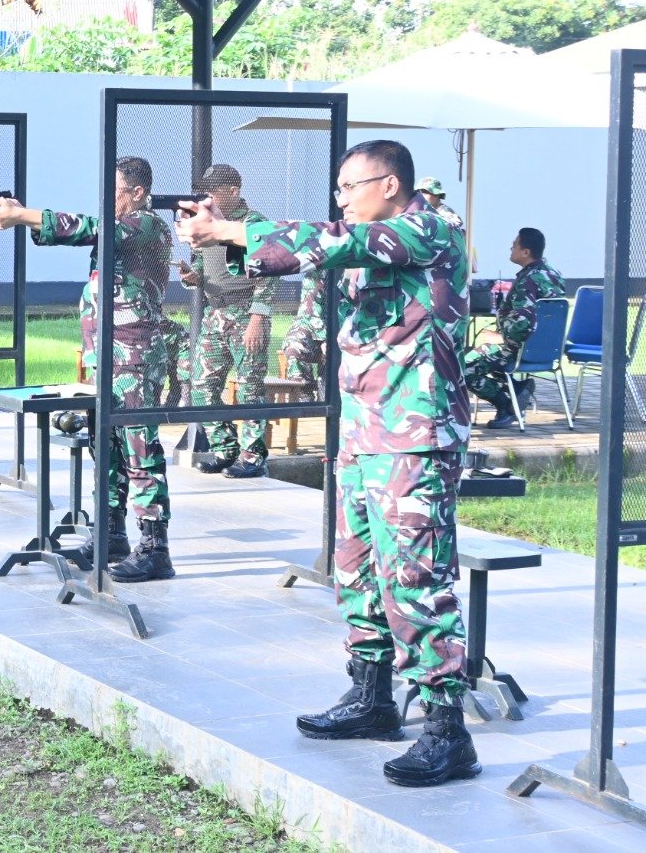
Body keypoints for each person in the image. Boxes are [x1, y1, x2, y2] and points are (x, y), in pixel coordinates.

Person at [177, 138, 480, 788]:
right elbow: (297, 258)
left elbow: (327, 241)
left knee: (417, 580)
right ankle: (372, 699)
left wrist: (229, 225)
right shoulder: (364, 242)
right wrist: (230, 242)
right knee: (359, 571)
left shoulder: (429, 229)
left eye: (350, 186)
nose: (341, 198)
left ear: (390, 185)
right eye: (339, 190)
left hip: (416, 437)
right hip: (364, 434)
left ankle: (447, 731)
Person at [0, 156, 175, 581]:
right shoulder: (121, 228)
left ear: (139, 193)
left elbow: (88, 227)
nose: (107, 200)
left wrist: (23, 216)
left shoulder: (146, 225)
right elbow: (80, 231)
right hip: (104, 356)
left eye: (115, 190)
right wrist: (24, 217)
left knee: (139, 451)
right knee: (103, 448)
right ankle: (110, 536)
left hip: (134, 357)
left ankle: (155, 548)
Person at [180, 163, 277, 478]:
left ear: (234, 191)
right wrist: (193, 276)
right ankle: (226, 448)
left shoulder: (254, 224)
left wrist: (258, 317)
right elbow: (201, 260)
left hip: (245, 312)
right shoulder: (206, 223)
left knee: (250, 387)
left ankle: (253, 456)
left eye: (214, 192)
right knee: (201, 385)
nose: (208, 198)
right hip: (215, 313)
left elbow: (270, 270)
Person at [461, 227, 564, 428]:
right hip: (545, 349)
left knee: (462, 368)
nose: (511, 248)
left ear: (525, 252)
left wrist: (498, 337)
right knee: (482, 358)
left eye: (514, 245)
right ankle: (517, 387)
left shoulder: (527, 281)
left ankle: (507, 406)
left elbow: (522, 325)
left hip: (517, 348)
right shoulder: (553, 275)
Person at [281, 272, 327, 387]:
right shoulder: (315, 273)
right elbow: (308, 315)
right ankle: (304, 399)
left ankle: (327, 396)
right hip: (317, 334)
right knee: (293, 346)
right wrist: (325, 338)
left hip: (348, 336)